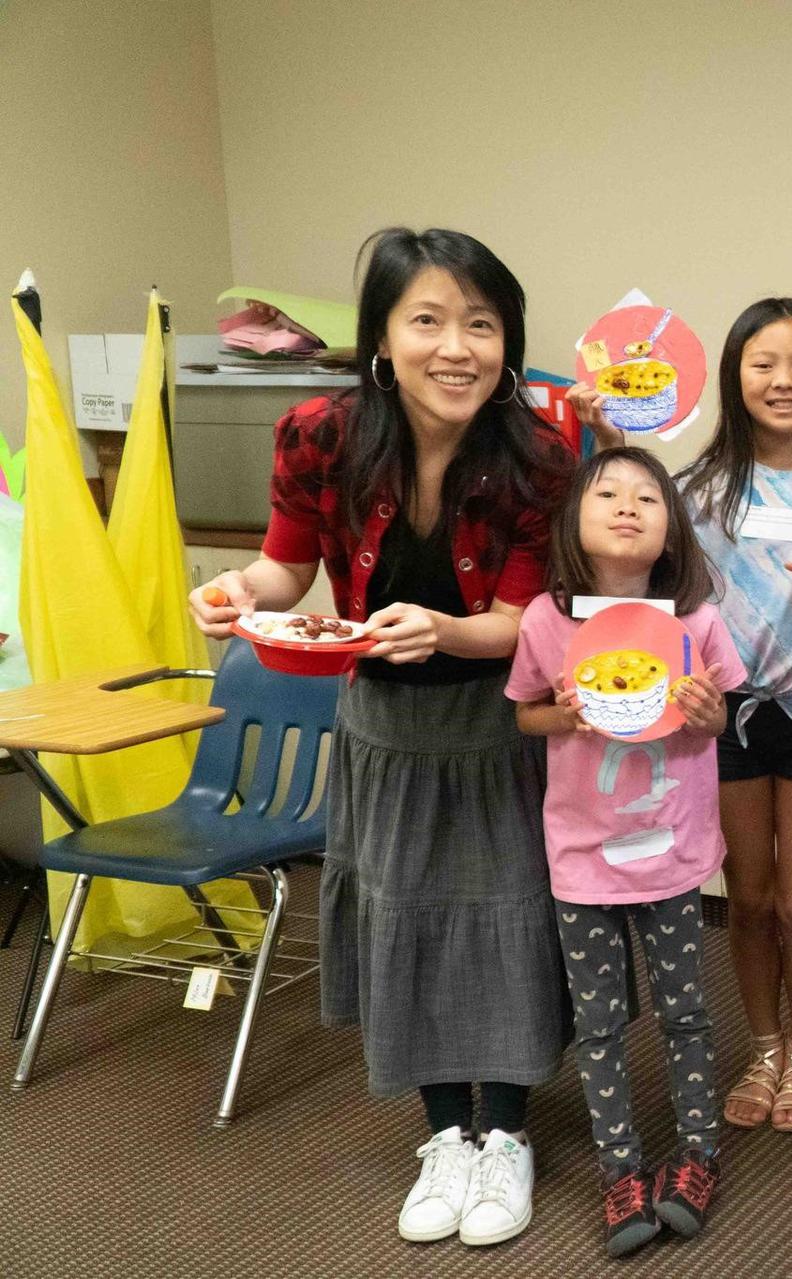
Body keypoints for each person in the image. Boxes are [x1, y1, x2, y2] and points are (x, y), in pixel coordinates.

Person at [189, 227, 574, 1247]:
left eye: (481, 324)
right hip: (381, 727)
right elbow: (284, 571)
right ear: (383, 337)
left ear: (507, 341)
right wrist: (233, 592)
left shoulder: (539, 456)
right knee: (407, 916)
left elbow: (524, 620)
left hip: (495, 723)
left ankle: (509, 1134)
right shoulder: (319, 436)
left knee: (506, 917)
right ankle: (446, 1131)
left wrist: (446, 629)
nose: (457, 348)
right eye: (428, 321)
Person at [573, 298, 792, 1133]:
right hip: (720, 712)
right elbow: (634, 550)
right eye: (763, 363)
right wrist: (608, 438)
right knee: (745, 898)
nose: (783, 380)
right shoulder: (697, 487)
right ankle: (764, 1047)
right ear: (733, 376)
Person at [506, 445, 747, 1257]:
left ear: (670, 529)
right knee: (600, 1022)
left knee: (686, 1009)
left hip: (672, 852)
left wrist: (709, 713)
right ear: (574, 520)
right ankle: (620, 1169)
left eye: (648, 497)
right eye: (606, 492)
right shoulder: (546, 620)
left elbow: (719, 719)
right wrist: (564, 714)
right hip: (583, 856)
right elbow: (526, 713)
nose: (627, 506)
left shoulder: (695, 621)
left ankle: (699, 1153)